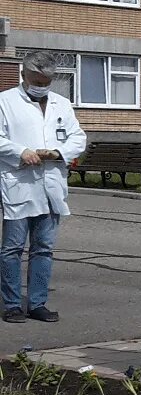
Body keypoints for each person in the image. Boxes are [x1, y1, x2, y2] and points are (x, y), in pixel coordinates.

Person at [0, 51, 87, 323]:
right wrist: (21, 151)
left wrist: (57, 153)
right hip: (19, 183)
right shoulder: (5, 102)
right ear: (24, 75)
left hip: (51, 186)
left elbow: (78, 137)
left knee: (43, 248)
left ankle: (37, 303)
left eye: (46, 81)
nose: (41, 85)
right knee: (12, 248)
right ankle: (12, 304)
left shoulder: (62, 104)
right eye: (37, 80)